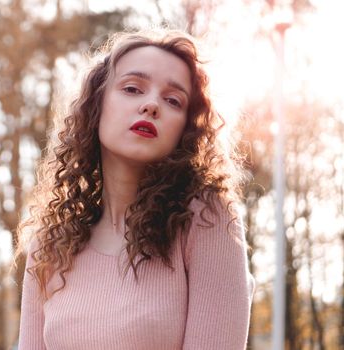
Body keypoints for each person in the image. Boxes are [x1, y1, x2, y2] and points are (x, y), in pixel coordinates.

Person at [15, 29, 255, 350]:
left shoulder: (207, 219)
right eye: (132, 88)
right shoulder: (50, 244)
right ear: (96, 105)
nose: (151, 105)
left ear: (186, 127)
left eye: (173, 100)